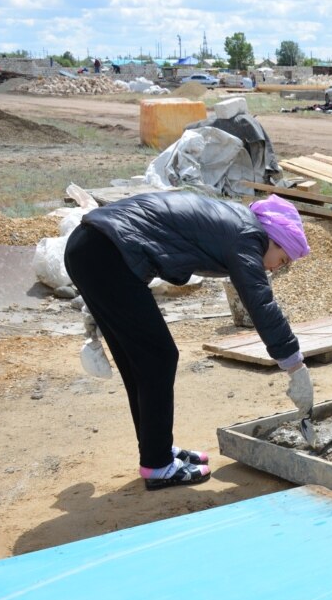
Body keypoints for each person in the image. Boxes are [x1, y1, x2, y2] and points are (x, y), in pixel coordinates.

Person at [64, 192, 315, 490]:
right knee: (158, 357)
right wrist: (295, 366)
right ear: (273, 238)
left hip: (92, 248)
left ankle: (156, 452)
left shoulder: (237, 225)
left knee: (141, 362)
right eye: (282, 259)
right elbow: (260, 303)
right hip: (106, 254)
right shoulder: (249, 237)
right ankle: (158, 465)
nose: (276, 267)